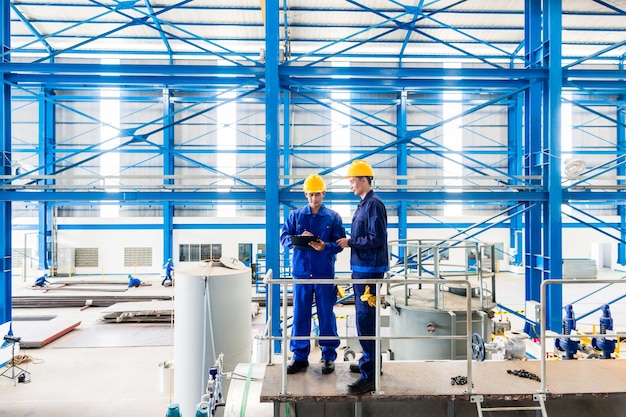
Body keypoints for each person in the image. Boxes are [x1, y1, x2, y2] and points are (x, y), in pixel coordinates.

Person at [280, 174, 346, 375]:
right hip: (301, 273)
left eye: (317, 194)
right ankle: (300, 357)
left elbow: (340, 244)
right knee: (300, 314)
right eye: (310, 195)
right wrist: (298, 239)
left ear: (323, 193)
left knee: (326, 314)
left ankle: (328, 355)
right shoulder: (296, 216)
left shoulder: (333, 217)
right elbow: (284, 238)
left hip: (324, 273)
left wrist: (325, 246)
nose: (313, 199)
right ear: (305, 195)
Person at [336, 160, 389, 395]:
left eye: (353, 181)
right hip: (362, 269)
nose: (351, 186)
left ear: (364, 179)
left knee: (366, 322)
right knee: (364, 320)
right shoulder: (363, 204)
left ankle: (369, 377)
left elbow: (376, 238)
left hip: (369, 271)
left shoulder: (374, 205)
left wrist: (350, 242)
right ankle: (371, 363)